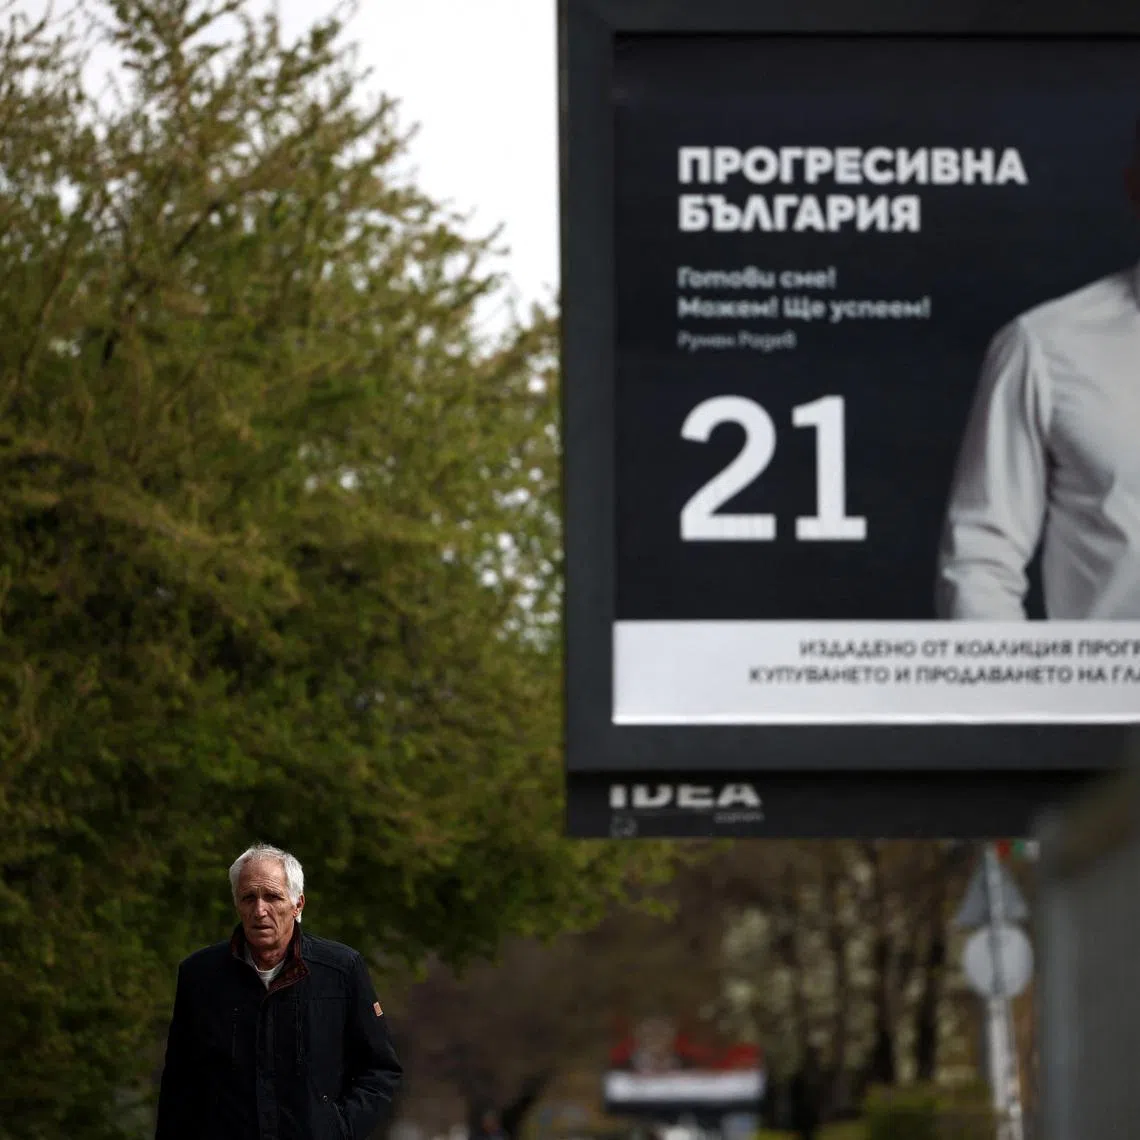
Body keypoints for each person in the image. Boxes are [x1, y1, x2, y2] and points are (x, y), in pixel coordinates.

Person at [936, 120, 1140, 620]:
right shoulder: (1046, 345)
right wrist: (1016, 698)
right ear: (1137, 185)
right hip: (1113, 697)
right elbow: (981, 563)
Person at [156, 843, 402, 1139]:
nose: (260, 910)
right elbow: (179, 1083)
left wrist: (339, 1128)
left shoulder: (341, 970)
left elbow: (379, 1070)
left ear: (298, 904)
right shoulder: (200, 975)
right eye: (249, 898)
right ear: (237, 904)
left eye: (272, 897)